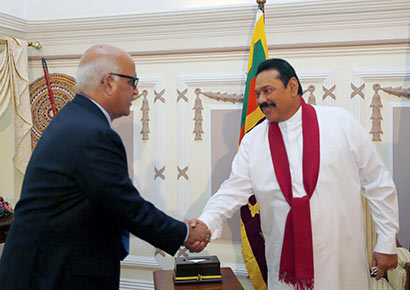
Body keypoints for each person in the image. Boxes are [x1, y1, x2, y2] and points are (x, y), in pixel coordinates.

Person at [0, 44, 210, 290]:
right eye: (132, 81)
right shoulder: (93, 133)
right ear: (109, 83)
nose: (136, 90)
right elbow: (126, 206)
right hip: (52, 276)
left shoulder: (77, 119)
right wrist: (184, 233)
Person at [195, 58, 399, 290]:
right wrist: (206, 223)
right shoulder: (253, 141)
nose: (261, 100)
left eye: (267, 91)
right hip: (285, 270)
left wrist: (386, 241)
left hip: (341, 264)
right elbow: (232, 191)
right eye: (257, 94)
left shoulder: (340, 123)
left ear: (292, 86)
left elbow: (378, 183)